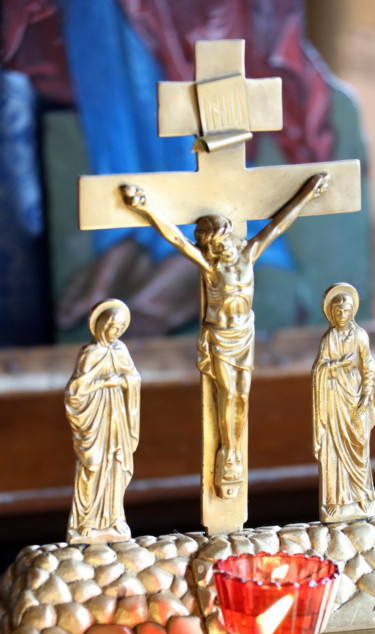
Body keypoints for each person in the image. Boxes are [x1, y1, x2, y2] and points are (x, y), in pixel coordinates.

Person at [119, 173, 329, 496]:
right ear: (211, 250)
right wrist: (145, 208)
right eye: (216, 246)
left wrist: (308, 194)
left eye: (226, 241)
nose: (224, 248)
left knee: (242, 395)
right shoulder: (211, 270)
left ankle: (234, 449)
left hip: (244, 335)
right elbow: (176, 240)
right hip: (221, 338)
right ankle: (229, 453)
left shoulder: (249, 256)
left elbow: (277, 226)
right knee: (227, 394)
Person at [65, 299, 140, 543]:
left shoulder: (120, 351)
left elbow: (134, 378)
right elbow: (75, 390)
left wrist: (124, 382)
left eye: (120, 329)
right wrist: (104, 383)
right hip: (95, 418)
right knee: (93, 465)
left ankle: (114, 518)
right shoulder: (90, 353)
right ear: (101, 325)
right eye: (112, 327)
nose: (115, 333)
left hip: (116, 417)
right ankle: (85, 521)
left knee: (116, 465)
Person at [312, 283, 375, 523]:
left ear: (352, 312)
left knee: (360, 449)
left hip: (355, 399)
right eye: (338, 311)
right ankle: (335, 500)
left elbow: (368, 367)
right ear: (331, 313)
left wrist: (366, 396)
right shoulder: (329, 338)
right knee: (334, 449)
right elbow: (319, 369)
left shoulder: (360, 336)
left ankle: (362, 497)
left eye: (346, 311)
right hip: (334, 401)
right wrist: (338, 365)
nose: (342, 315)